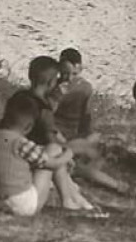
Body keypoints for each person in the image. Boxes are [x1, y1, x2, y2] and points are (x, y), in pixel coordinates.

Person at [0, 91, 107, 218]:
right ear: (28, 127)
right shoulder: (20, 143)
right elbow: (53, 164)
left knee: (53, 149)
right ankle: (68, 200)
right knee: (54, 152)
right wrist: (70, 153)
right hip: (22, 206)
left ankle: (71, 198)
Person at [52, 48, 130, 195]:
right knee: (81, 162)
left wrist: (87, 136)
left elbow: (85, 117)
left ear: (80, 68)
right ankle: (116, 185)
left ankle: (79, 170)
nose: (68, 78)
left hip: (73, 135)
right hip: (57, 135)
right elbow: (47, 119)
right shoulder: (53, 87)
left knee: (96, 147)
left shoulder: (85, 88)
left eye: (73, 74)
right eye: (64, 73)